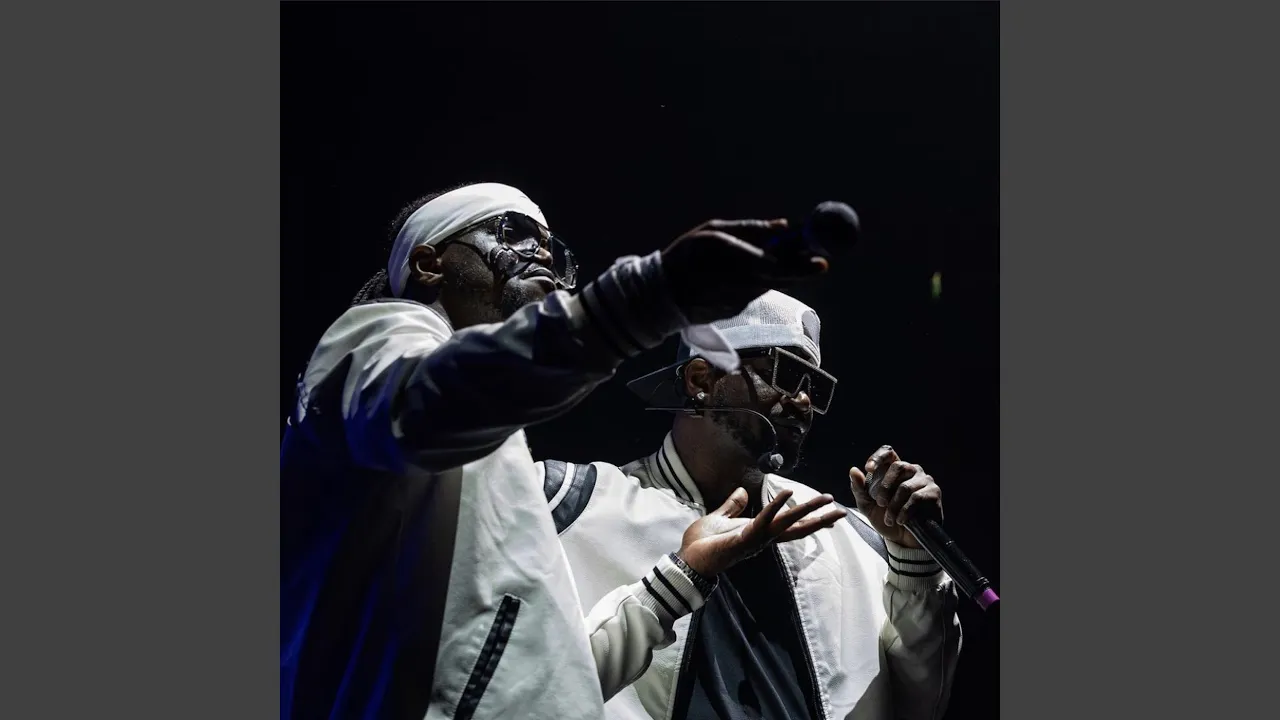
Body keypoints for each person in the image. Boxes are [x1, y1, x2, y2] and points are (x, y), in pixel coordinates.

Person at [280, 182, 844, 720]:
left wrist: (682, 577)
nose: (544, 257)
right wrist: (640, 300)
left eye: (554, 248)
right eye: (515, 233)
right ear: (429, 265)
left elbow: (549, 680)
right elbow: (427, 404)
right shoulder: (372, 342)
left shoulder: (490, 446)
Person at [545, 290, 963, 720]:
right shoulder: (571, 504)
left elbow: (921, 705)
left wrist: (914, 562)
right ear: (701, 381)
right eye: (785, 372)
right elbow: (528, 685)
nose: (803, 401)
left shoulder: (848, 535)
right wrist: (677, 580)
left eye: (813, 386)